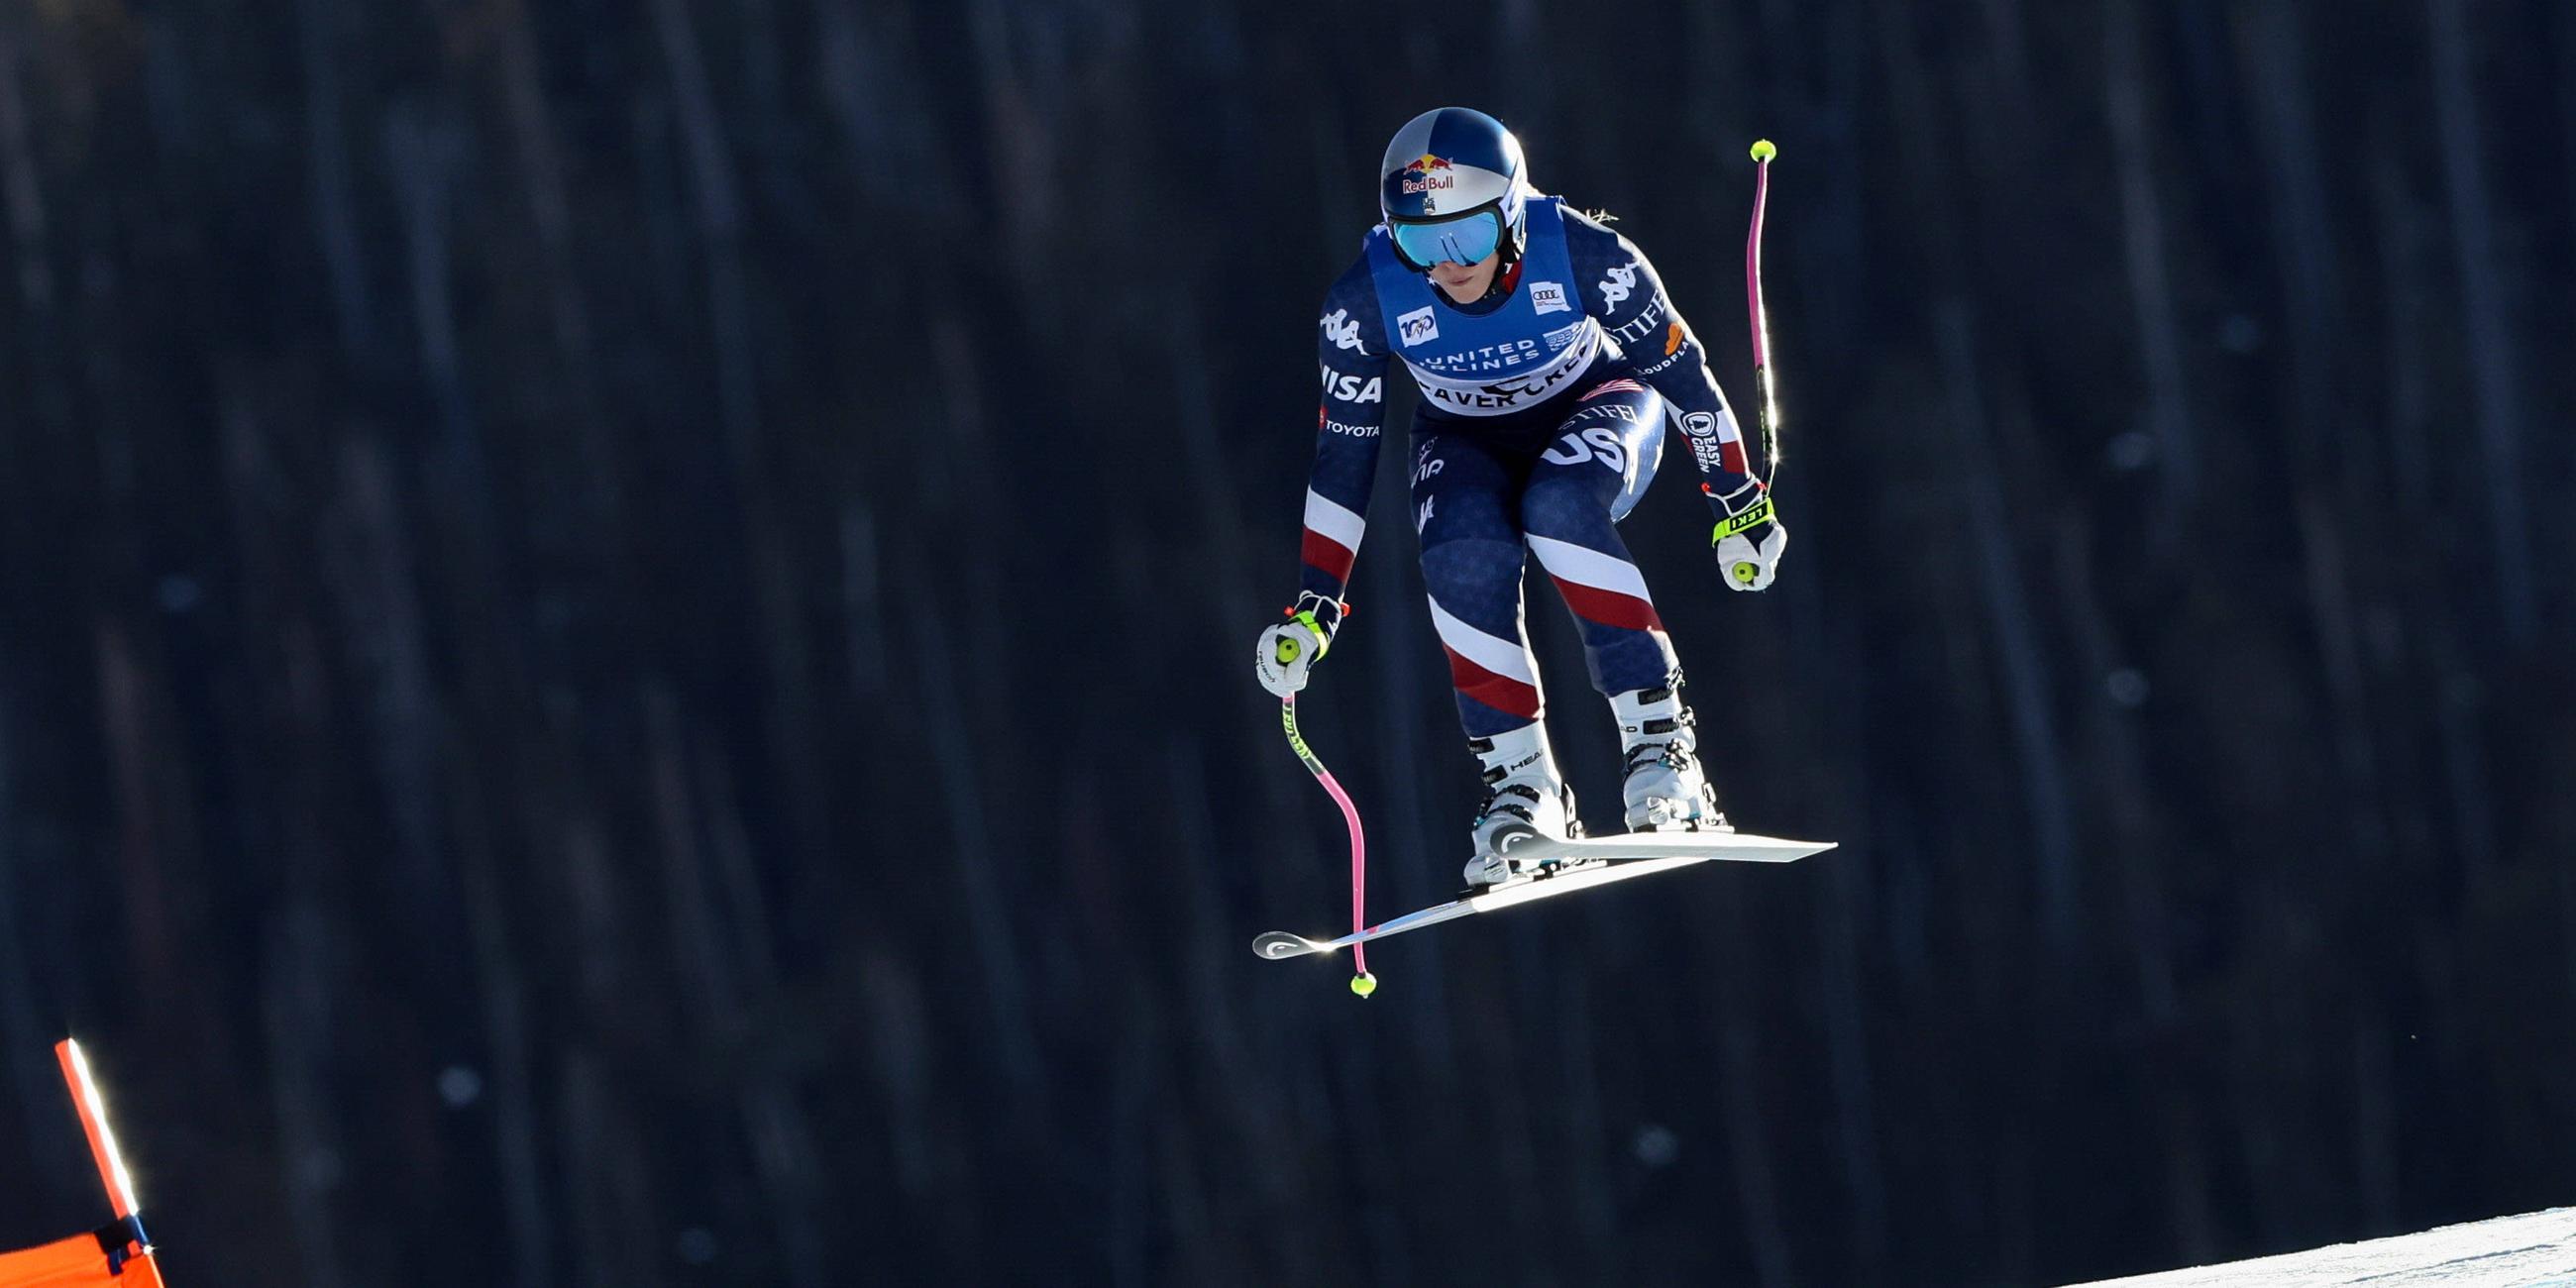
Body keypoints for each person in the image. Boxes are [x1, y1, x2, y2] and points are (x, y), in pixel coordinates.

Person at [1253, 106, 1790, 889]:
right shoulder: (1364, 301)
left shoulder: (1583, 253)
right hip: (1463, 434)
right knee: (1458, 549)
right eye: (1418, 242)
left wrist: (1738, 499)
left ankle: (1660, 751)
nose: (1444, 266)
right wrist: (1315, 603)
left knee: (1560, 505)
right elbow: (1344, 453)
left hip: (1598, 399)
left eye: (1464, 238)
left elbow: (1682, 377)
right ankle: (1520, 786)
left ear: (1509, 213)